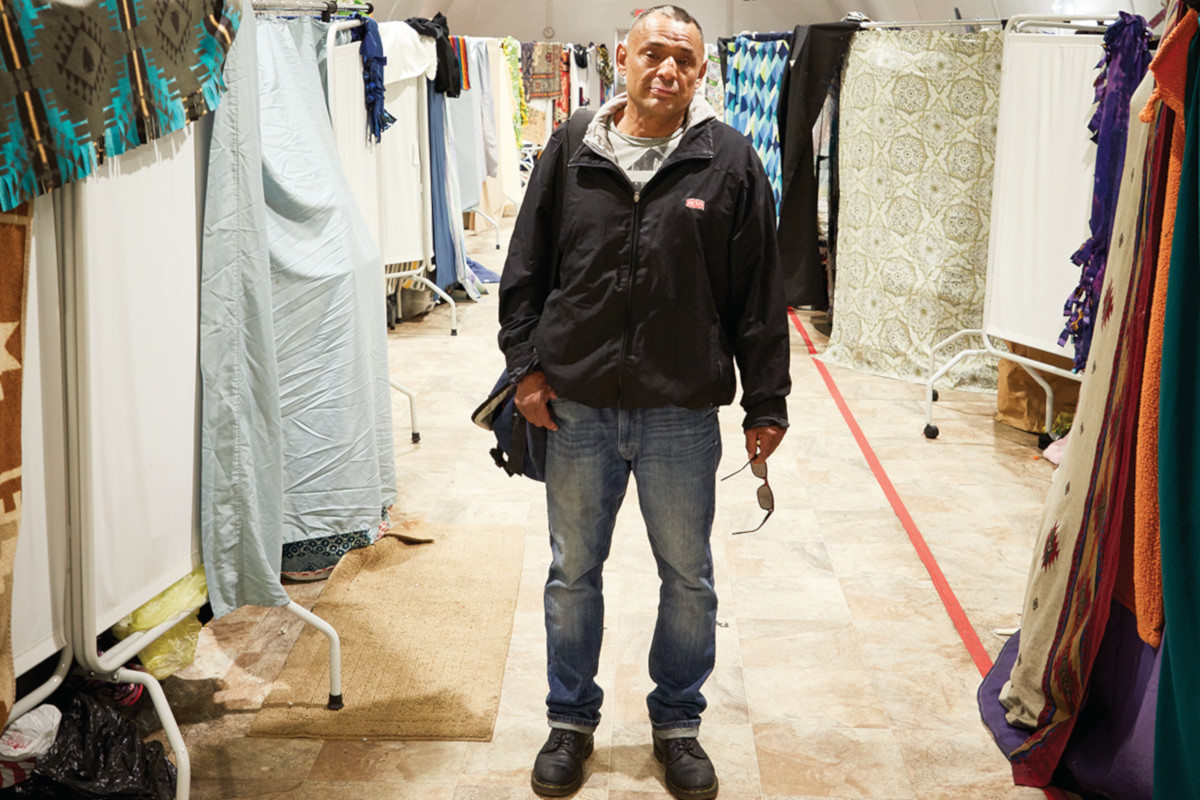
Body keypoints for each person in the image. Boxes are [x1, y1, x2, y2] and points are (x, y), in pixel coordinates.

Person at [497, 6, 790, 799]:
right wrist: (526, 367)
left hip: (681, 412)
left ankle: (679, 725)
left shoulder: (728, 161)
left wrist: (767, 402)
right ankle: (570, 721)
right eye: (653, 54)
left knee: (688, 578)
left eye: (684, 61)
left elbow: (759, 297)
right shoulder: (570, 148)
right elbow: (525, 270)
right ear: (622, 58)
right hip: (578, 407)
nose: (667, 70)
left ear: (701, 75)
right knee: (571, 573)